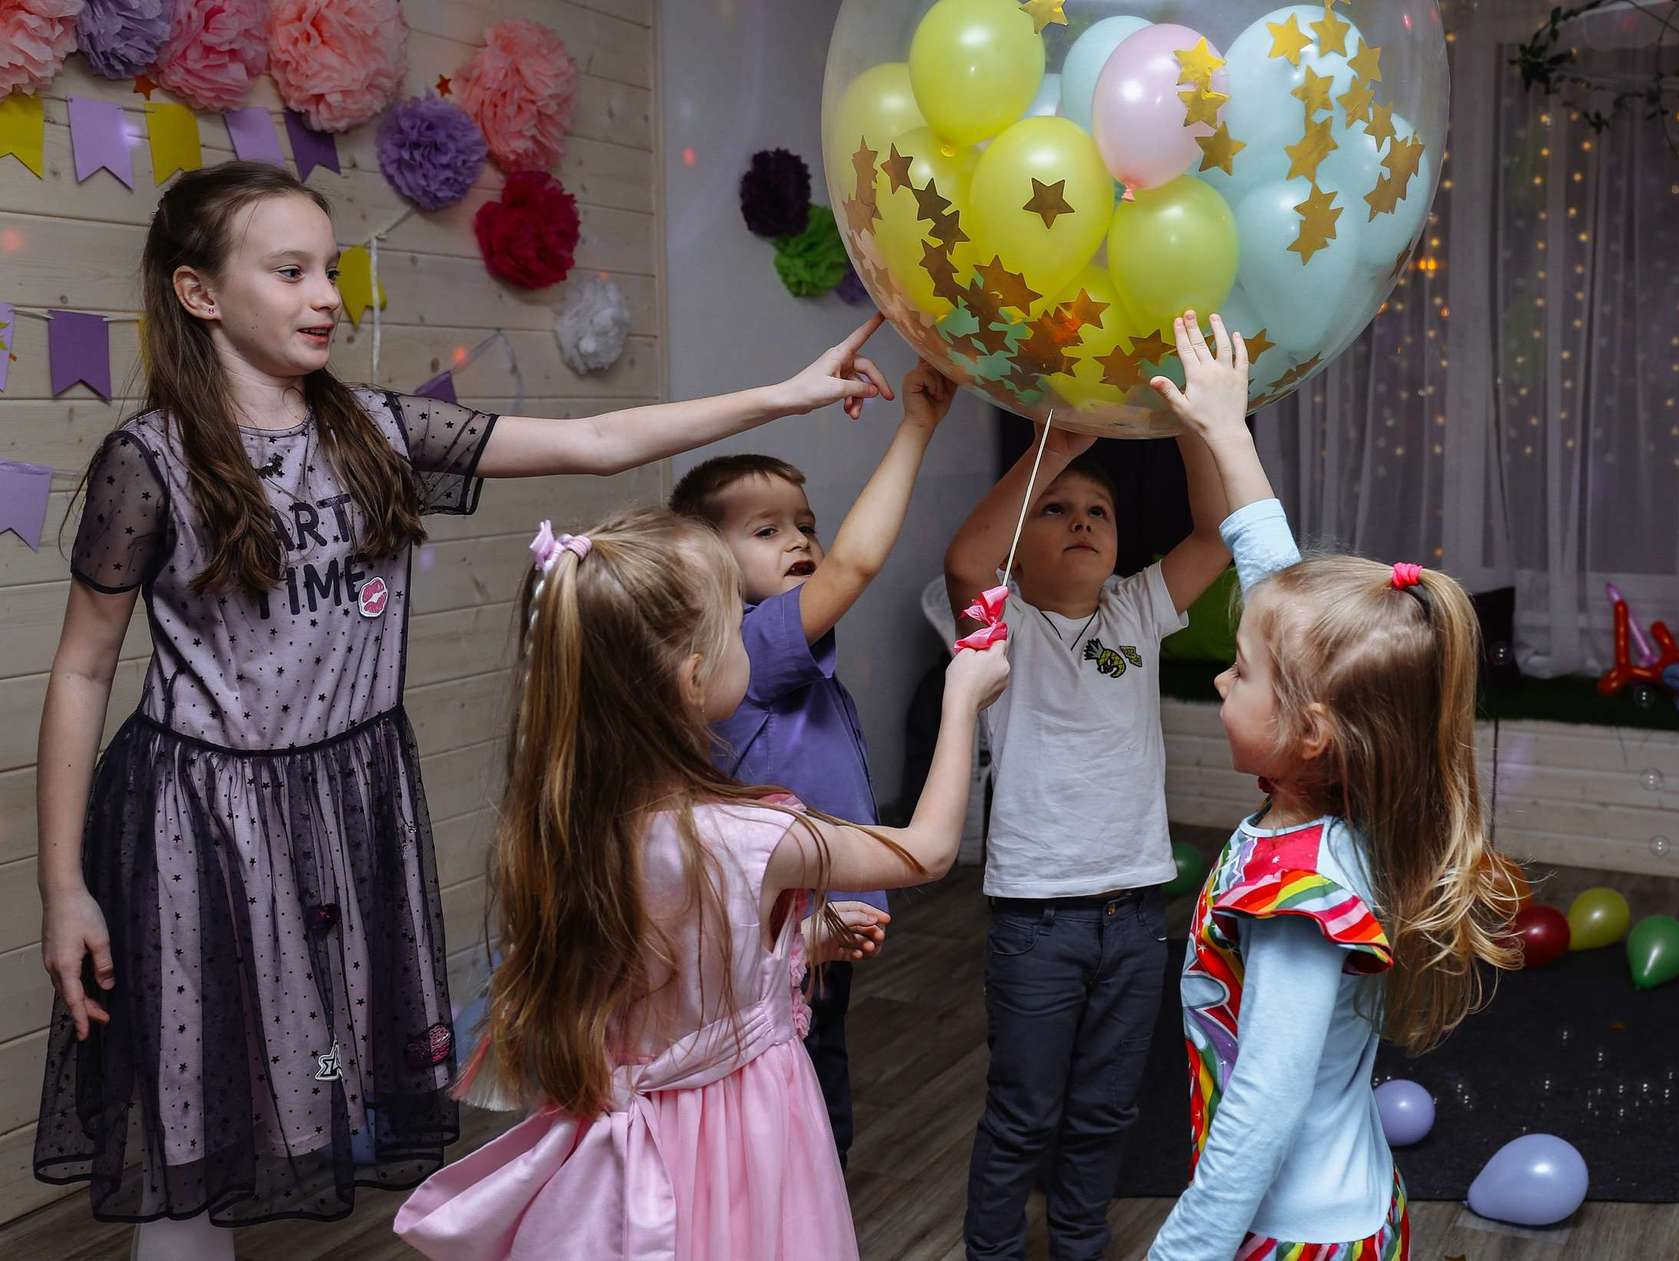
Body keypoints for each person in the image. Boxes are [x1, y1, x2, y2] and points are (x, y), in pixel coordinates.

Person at [34, 160, 893, 1260]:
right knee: (193, 1114)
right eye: (289, 271)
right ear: (199, 293)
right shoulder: (147, 464)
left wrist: (788, 391)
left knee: (315, 1086)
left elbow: (594, 443)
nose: (324, 297)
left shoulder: (375, 434)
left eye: (330, 270)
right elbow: (81, 670)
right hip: (193, 821)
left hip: (341, 807)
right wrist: (65, 886)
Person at [393, 508, 1010, 1259]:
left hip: (623, 1146)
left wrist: (796, 939)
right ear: (693, 675)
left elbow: (661, 973)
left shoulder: (560, 822)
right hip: (738, 1135)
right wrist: (961, 696)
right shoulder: (751, 835)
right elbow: (929, 850)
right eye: (736, 624)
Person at [1142, 314, 1524, 1259]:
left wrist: (1182, 1250)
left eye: (1238, 672)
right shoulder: (1347, 801)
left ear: (1310, 733)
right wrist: (1227, 433)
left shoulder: (1294, 899)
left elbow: (1263, 1108)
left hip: (1291, 1234)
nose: (1222, 681)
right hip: (1352, 1203)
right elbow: (1282, 602)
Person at [943, 319, 1236, 1261]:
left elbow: (1214, 532)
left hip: (1134, 910)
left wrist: (1194, 421)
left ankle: (1077, 1246)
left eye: (1097, 512)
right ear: (1021, 548)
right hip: (1036, 919)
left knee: (1106, 1111)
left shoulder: (1138, 609)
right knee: (1024, 1116)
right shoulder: (1003, 625)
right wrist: (1048, 452)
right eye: (1055, 510)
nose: (1078, 521)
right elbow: (964, 560)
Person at [667, 357, 958, 1166]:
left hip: (817, 923)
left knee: (816, 1062)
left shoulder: (772, 641)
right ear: (706, 564)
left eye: (803, 522)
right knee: (795, 1085)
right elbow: (854, 566)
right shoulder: (747, 644)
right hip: (782, 926)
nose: (799, 539)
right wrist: (916, 426)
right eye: (766, 530)